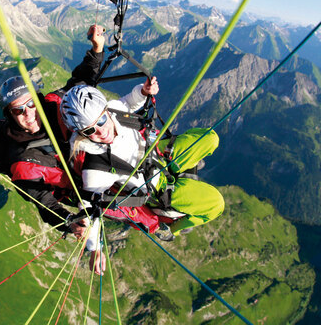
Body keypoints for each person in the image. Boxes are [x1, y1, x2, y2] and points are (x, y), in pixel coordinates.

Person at [60, 78, 225, 274]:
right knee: (216, 204)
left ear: (105, 111)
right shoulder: (95, 168)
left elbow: (129, 102)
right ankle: (176, 226)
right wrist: (94, 249)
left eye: (101, 120)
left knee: (210, 138)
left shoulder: (113, 108)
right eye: (89, 130)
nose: (100, 131)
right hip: (159, 189)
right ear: (80, 133)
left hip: (159, 154)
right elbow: (89, 208)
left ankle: (181, 170)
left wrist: (143, 91)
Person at [0, 25, 106, 240]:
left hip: (91, 161)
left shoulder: (54, 106)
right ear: (10, 116)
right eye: (18, 110)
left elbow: (79, 82)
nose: (29, 113)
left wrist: (96, 50)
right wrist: (70, 223)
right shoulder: (19, 160)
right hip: (78, 187)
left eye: (32, 103)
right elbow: (42, 200)